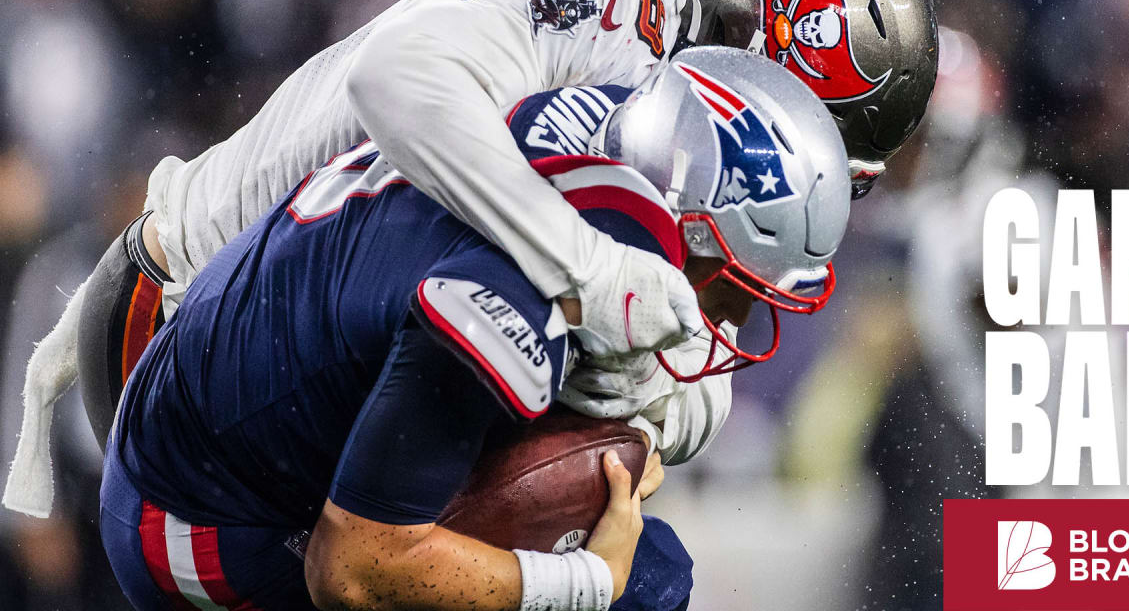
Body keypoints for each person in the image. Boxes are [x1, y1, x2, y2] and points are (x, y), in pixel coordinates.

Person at [4, 0, 936, 517]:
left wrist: (649, 383)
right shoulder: (611, 4)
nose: (805, 175)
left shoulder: (680, 132)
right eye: (817, 140)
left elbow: (702, 389)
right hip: (181, 318)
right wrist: (588, 271)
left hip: (300, 345)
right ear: (757, 38)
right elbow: (398, 78)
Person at [97, 46, 851, 611]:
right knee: (631, 590)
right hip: (200, 518)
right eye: (742, 289)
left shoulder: (608, 129)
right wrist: (584, 582)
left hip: (241, 395)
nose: (736, 319)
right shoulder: (515, 305)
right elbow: (352, 569)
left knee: (651, 572)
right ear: (692, 235)